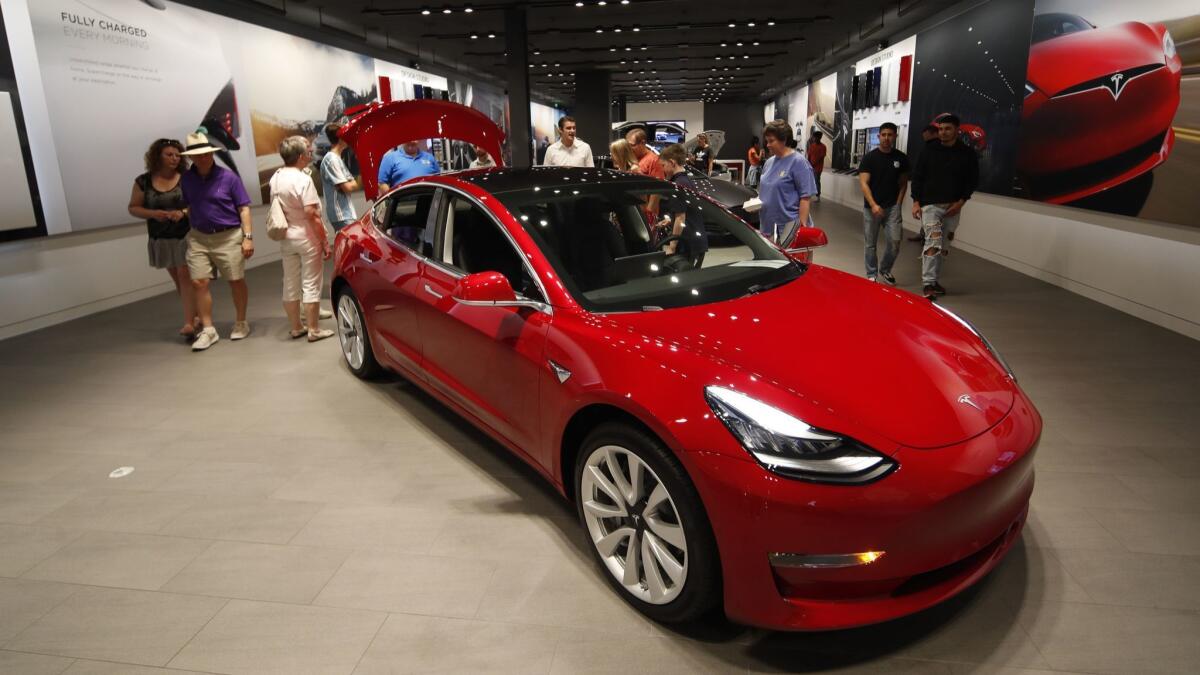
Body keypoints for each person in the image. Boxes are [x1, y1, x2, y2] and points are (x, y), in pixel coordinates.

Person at [179, 131, 253, 352]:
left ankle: (241, 322)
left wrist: (247, 237)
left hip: (228, 235)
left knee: (235, 279)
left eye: (207, 154)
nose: (203, 158)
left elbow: (244, 208)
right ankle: (208, 329)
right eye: (198, 155)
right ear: (191, 157)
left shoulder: (228, 177)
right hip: (199, 237)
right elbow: (189, 204)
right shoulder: (187, 179)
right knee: (199, 282)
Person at [128, 138, 196, 338]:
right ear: (157, 156)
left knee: (185, 274)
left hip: (186, 233)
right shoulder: (144, 181)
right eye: (169, 154)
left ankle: (189, 323)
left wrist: (183, 212)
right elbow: (133, 207)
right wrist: (153, 214)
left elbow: (199, 202)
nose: (174, 158)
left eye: (177, 155)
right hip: (161, 236)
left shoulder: (187, 177)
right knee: (178, 278)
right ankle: (196, 315)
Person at [272, 136, 334, 342]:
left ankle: (296, 326)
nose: (310, 154)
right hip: (307, 236)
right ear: (300, 156)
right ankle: (314, 329)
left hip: (287, 237)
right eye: (307, 152)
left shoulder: (277, 177)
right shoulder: (303, 179)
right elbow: (311, 213)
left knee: (289, 282)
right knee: (311, 283)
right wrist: (324, 240)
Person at [911, 114, 979, 299]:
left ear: (957, 130)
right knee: (932, 242)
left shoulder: (967, 154)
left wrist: (960, 202)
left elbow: (972, 180)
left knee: (943, 245)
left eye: (947, 129)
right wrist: (916, 201)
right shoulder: (928, 151)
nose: (943, 132)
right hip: (930, 206)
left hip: (953, 207)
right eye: (940, 129)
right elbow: (918, 177)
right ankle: (928, 284)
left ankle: (934, 281)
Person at [858, 122, 910, 285]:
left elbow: (903, 183)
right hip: (871, 208)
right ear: (878, 136)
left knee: (895, 242)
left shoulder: (901, 158)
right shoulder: (869, 158)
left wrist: (898, 204)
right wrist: (873, 204)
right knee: (870, 244)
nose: (886, 138)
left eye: (890, 135)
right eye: (884, 135)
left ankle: (885, 269)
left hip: (892, 207)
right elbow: (864, 183)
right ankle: (871, 273)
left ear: (895, 136)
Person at [758, 120, 817, 245]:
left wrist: (801, 230)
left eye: (771, 141)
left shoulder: (799, 162)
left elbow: (805, 198)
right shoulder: (769, 163)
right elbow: (766, 191)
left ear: (783, 139)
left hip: (789, 229)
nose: (767, 145)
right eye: (766, 141)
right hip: (768, 228)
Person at [657, 144, 708, 269]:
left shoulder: (678, 184)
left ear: (672, 163)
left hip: (688, 243)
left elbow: (681, 218)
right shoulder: (686, 180)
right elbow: (685, 210)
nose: (662, 170)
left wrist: (672, 247)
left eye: (663, 165)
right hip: (696, 241)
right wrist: (670, 220)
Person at [319, 123, 359, 233]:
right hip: (341, 214)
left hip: (345, 213)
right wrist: (349, 184)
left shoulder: (336, 158)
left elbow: (353, 184)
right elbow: (348, 187)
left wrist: (349, 184)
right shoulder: (332, 160)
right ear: (341, 138)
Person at [908, 124, 940, 242]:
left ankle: (926, 236)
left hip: (936, 194)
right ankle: (924, 234)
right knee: (926, 215)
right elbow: (918, 174)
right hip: (926, 191)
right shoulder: (926, 150)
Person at [626, 128, 665, 224]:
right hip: (633, 212)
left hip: (645, 216)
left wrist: (649, 215)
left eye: (632, 145)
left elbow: (657, 190)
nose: (629, 148)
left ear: (642, 143)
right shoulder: (632, 158)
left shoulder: (653, 160)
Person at [806, 131, 827, 201]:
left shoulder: (823, 147)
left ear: (820, 137)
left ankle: (818, 196)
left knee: (816, 180)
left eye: (816, 137)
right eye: (814, 137)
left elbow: (821, 157)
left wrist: (813, 164)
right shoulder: (812, 146)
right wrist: (808, 165)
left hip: (818, 168)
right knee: (810, 180)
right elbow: (809, 156)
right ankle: (809, 194)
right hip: (811, 167)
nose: (814, 138)